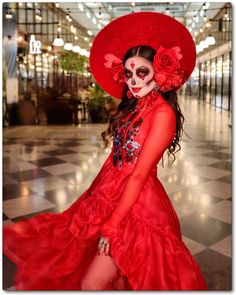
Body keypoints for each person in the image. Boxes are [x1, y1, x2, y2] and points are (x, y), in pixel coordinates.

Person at [3, 12, 208, 290]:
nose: (133, 80)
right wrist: (92, 201)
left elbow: (138, 175)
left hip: (137, 208)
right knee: (108, 277)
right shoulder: (136, 106)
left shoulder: (163, 114)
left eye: (141, 72)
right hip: (108, 193)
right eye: (128, 73)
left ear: (159, 72)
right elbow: (114, 161)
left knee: (93, 283)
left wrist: (112, 226)